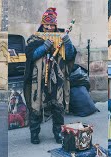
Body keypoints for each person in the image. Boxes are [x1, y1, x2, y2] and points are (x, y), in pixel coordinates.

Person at [23, 7, 77, 144]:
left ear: (55, 25)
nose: (48, 27)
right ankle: (34, 134)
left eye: (51, 25)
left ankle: (58, 133)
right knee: (36, 106)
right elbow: (31, 55)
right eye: (46, 25)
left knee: (58, 107)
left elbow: (69, 56)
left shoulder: (61, 37)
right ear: (42, 24)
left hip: (56, 80)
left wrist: (68, 43)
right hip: (38, 79)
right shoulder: (34, 39)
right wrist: (44, 47)